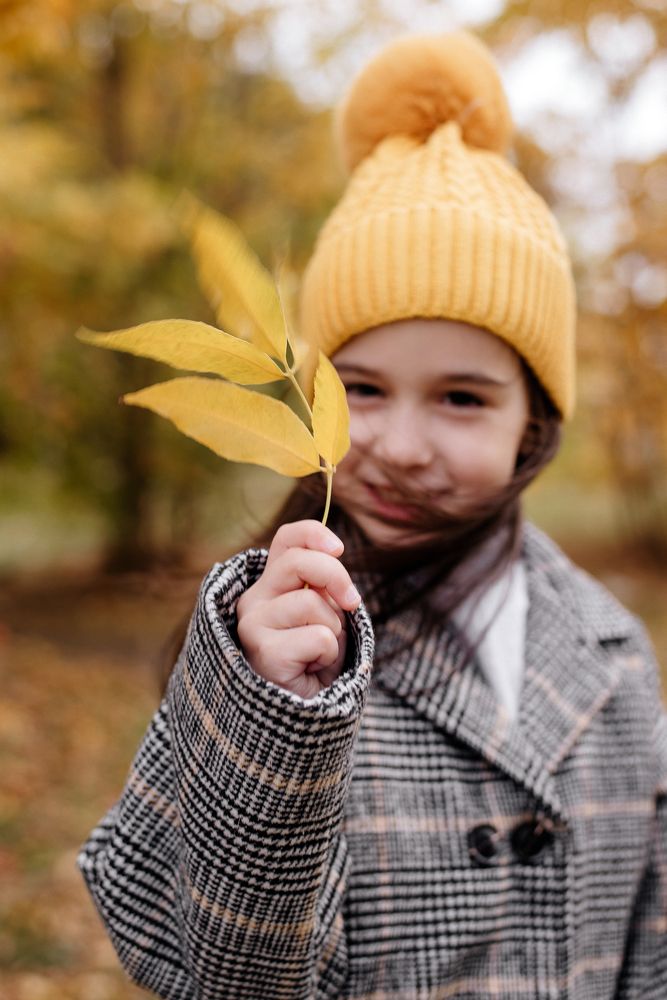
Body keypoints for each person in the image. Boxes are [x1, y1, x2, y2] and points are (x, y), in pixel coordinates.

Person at [78, 29, 667, 1000]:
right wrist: (272, 715)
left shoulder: (612, 652)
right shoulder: (265, 644)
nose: (396, 442)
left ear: (533, 426)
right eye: (361, 388)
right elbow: (221, 974)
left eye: (462, 398)